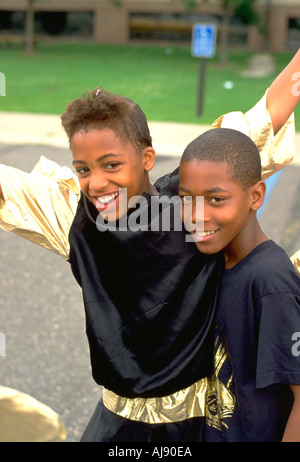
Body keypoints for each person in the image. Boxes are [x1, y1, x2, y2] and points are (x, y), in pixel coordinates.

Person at [0, 50, 299, 441]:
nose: (97, 183)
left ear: (146, 158)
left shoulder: (193, 202)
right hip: (114, 419)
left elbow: (267, 114)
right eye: (83, 170)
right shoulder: (73, 217)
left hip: (191, 423)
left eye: (111, 165)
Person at [179, 127, 300, 442]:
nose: (196, 215)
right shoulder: (214, 261)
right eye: (186, 200)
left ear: (256, 196)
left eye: (216, 199)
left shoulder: (270, 280)